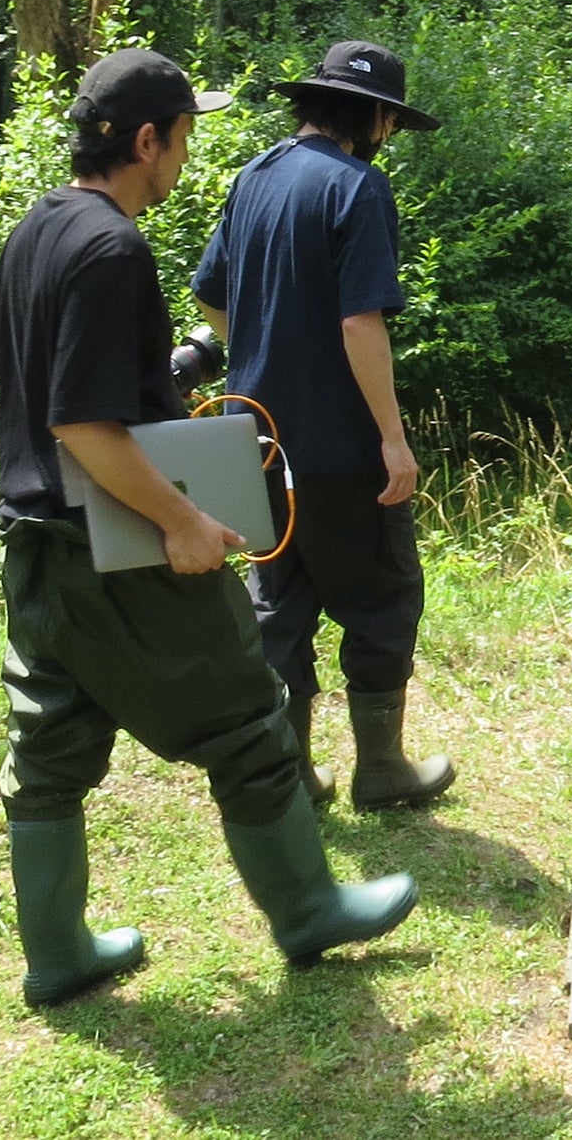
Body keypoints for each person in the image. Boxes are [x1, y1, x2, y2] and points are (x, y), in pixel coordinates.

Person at [0, 48, 416, 1007]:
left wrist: (168, 376)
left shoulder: (39, 226)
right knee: (246, 717)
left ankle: (59, 954)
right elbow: (82, 423)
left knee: (47, 751)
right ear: (145, 139)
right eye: (183, 138)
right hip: (113, 546)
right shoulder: (113, 247)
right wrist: (183, 518)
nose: (187, 161)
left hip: (34, 548)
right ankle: (308, 911)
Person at [191, 40, 454, 813]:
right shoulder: (357, 188)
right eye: (391, 122)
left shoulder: (255, 176)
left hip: (253, 434)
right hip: (340, 444)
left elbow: (211, 295)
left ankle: (294, 776)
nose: (391, 136)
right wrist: (393, 438)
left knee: (280, 600)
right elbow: (360, 322)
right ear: (371, 115)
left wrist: (269, 345)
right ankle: (382, 771)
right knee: (381, 595)